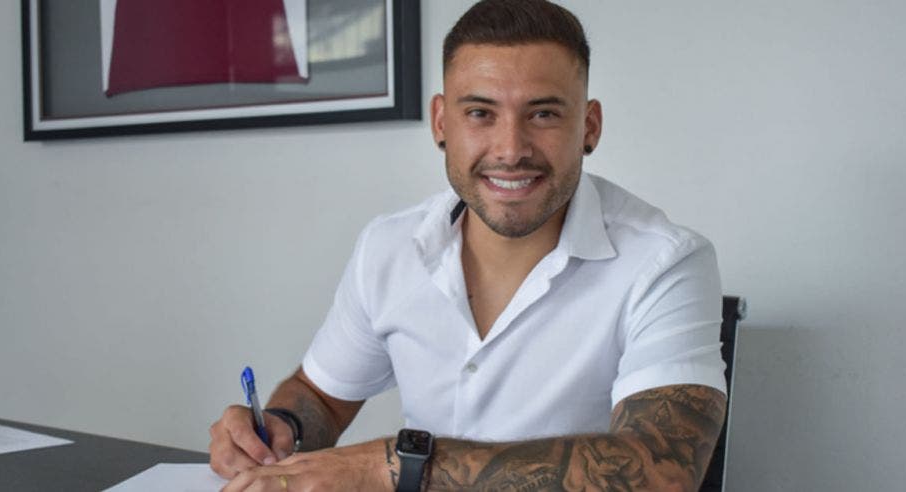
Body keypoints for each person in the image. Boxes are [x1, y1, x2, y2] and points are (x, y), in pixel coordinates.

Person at [209, 1, 727, 490]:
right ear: (441, 123)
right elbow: (321, 397)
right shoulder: (387, 247)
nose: (510, 150)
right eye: (480, 113)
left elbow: (664, 473)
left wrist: (398, 467)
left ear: (589, 126)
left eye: (543, 114)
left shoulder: (667, 262)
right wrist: (281, 427)